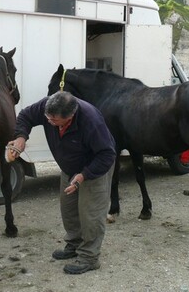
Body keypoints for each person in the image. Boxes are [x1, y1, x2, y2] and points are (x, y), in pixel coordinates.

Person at [7, 91, 116, 274]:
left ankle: (89, 257)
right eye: (48, 118)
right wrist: (21, 137)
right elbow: (26, 115)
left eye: (55, 121)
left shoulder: (91, 120)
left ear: (71, 116)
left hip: (94, 168)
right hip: (69, 167)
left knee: (91, 213)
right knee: (69, 208)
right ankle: (74, 245)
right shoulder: (48, 107)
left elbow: (107, 154)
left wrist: (84, 175)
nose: (49, 122)